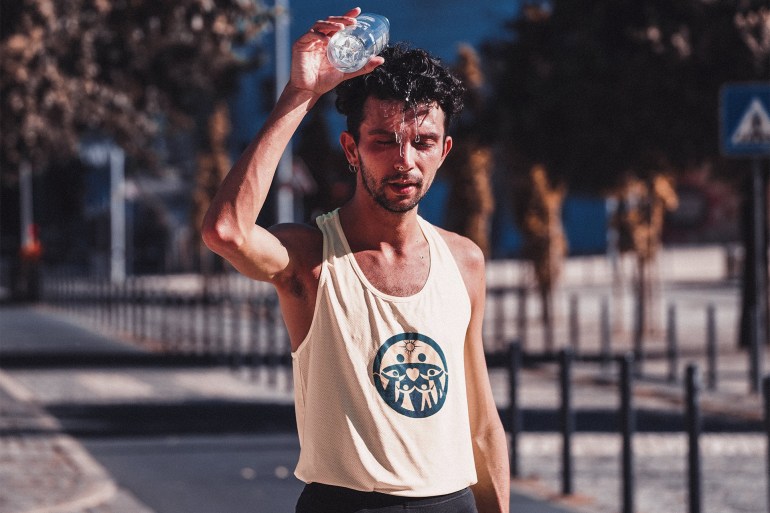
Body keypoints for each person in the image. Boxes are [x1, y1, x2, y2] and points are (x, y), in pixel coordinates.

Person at [202, 8, 510, 512]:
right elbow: (227, 231)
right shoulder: (309, 257)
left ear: (444, 150)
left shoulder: (465, 260)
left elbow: (481, 424)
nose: (404, 160)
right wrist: (302, 94)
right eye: (384, 141)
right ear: (351, 148)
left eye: (423, 142)